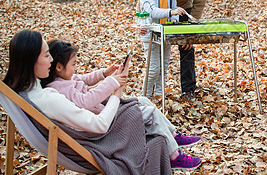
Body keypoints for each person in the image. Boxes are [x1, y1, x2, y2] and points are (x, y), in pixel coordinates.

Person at [3, 30, 202, 171]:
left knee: (139, 104)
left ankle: (174, 137)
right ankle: (174, 150)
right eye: (46, 55)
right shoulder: (49, 97)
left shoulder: (24, 92)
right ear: (30, 60)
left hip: (85, 133)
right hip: (97, 140)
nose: (51, 60)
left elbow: (79, 80)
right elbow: (98, 124)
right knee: (143, 115)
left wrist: (105, 79)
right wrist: (116, 92)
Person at [139, 0, 186, 98]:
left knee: (163, 66)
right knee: (153, 68)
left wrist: (174, 18)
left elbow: (173, 7)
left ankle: (159, 94)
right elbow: (151, 11)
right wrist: (171, 12)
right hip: (151, 33)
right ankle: (145, 97)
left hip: (166, 32)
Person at [171, 0, 209, 100]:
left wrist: (191, 33)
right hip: (163, 8)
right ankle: (155, 89)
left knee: (187, 47)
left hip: (185, 9)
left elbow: (198, 6)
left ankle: (188, 90)